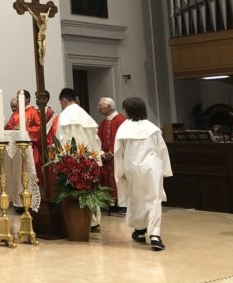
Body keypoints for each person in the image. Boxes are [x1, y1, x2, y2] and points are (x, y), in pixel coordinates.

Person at [114, 97, 172, 252]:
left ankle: (140, 231)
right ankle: (155, 235)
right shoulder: (152, 128)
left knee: (136, 199)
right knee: (154, 199)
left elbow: (119, 152)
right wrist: (165, 170)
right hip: (152, 168)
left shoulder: (123, 129)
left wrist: (119, 172)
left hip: (131, 168)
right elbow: (162, 150)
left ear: (128, 110)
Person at [49, 88, 103, 231]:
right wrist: (96, 157)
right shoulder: (84, 114)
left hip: (71, 159)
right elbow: (96, 138)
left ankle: (76, 221)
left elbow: (61, 138)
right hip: (88, 157)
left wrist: (56, 152)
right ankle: (93, 221)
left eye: (61, 103)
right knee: (90, 187)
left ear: (63, 100)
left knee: (73, 189)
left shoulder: (64, 115)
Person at [5, 89, 43, 183]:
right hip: (15, 147)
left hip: (30, 147)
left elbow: (39, 128)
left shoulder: (34, 112)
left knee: (31, 170)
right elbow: (8, 127)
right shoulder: (15, 113)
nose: (18, 99)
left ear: (28, 99)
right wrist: (13, 129)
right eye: (17, 97)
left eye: (21, 97)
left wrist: (24, 129)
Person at [97, 97, 126, 214]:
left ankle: (122, 204)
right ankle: (110, 203)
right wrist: (101, 153)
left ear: (109, 106)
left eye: (100, 105)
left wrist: (113, 152)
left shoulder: (121, 120)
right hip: (105, 159)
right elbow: (98, 139)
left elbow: (122, 138)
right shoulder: (103, 122)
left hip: (118, 157)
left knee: (119, 179)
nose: (98, 108)